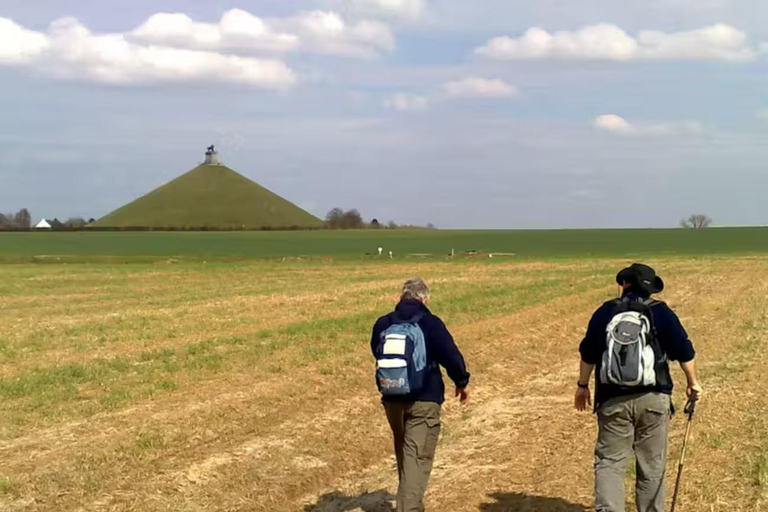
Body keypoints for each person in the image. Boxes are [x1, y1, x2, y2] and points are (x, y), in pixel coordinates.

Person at [575, 263, 703, 512]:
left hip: (612, 400)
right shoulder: (660, 312)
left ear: (624, 284)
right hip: (654, 398)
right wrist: (692, 382)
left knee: (610, 463)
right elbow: (684, 351)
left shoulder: (606, 312)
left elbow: (588, 352)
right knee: (652, 465)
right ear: (649, 289)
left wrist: (582, 386)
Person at [371, 278, 470, 512]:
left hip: (392, 398)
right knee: (417, 457)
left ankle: (412, 502)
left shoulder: (383, 323)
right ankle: (409, 508)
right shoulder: (430, 323)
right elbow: (451, 356)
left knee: (405, 452)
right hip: (424, 399)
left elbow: (376, 351)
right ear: (424, 299)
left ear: (400, 297)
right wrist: (462, 382)